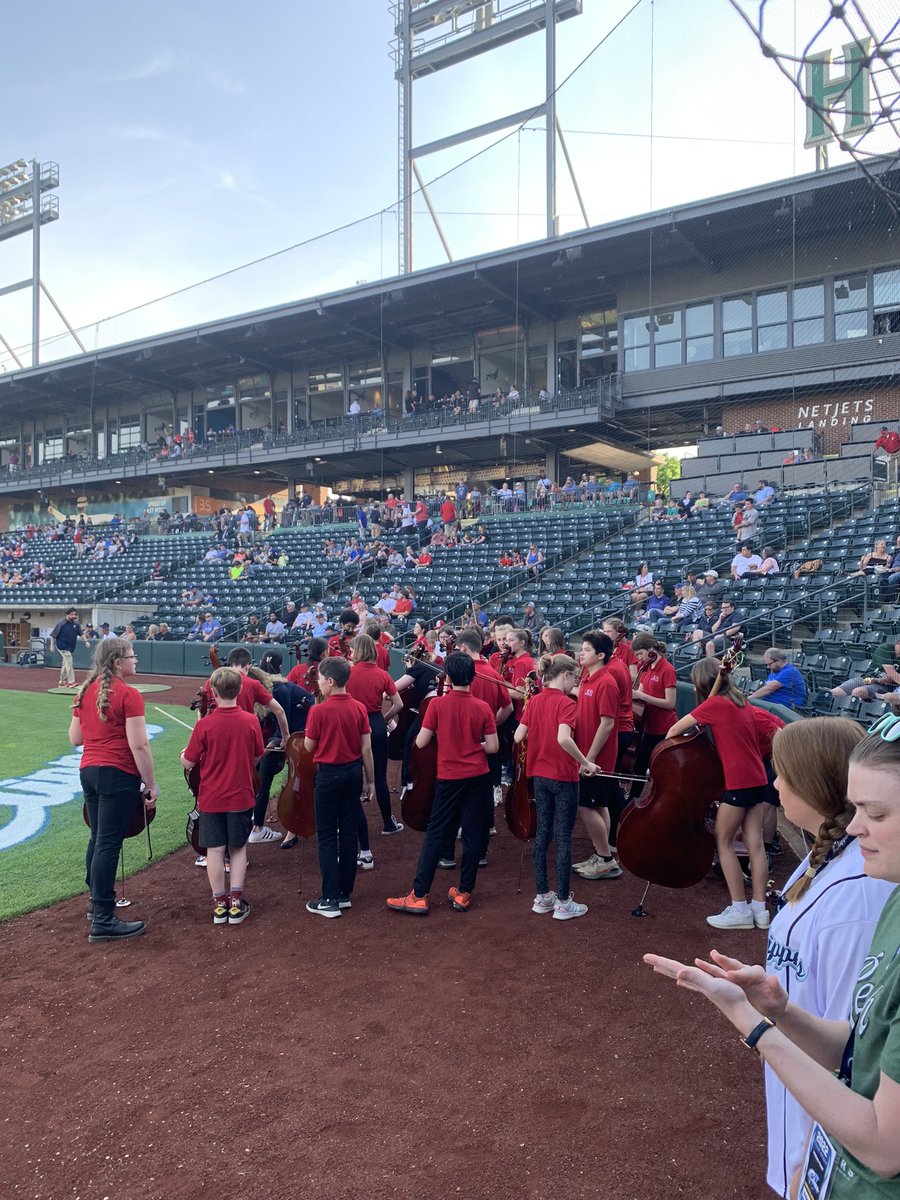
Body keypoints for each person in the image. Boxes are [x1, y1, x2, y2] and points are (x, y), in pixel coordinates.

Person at [645, 713, 900, 1199]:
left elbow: (878, 1130)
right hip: (829, 1141)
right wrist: (777, 1008)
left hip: (853, 1156)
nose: (857, 824)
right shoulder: (860, 877)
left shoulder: (866, 894)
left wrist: (752, 1022)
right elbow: (862, 1041)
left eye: (877, 812)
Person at [386, 652, 498, 915]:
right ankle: (464, 893)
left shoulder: (437, 705)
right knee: (472, 834)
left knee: (436, 832)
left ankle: (420, 894)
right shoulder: (482, 707)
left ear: (447, 677)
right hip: (478, 776)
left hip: (449, 777)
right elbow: (492, 747)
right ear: (472, 677)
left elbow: (421, 742)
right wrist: (472, 746)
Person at [665, 657, 770, 929]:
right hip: (758, 778)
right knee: (755, 844)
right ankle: (760, 909)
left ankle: (740, 909)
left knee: (722, 842)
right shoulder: (743, 702)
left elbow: (674, 729)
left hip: (737, 782)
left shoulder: (713, 705)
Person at [69, 638, 159, 943]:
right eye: (132, 657)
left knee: (98, 838)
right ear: (118, 662)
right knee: (108, 843)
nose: (136, 661)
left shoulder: (86, 691)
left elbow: (74, 738)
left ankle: (97, 906)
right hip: (117, 773)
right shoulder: (128, 694)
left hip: (89, 771)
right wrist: (151, 782)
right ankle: (103, 918)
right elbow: (139, 744)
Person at [514, 654, 599, 921]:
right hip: (563, 777)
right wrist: (585, 762)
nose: (575, 681)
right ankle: (563, 901)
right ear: (564, 676)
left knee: (543, 835)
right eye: (574, 677)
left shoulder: (536, 700)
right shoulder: (566, 703)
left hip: (539, 775)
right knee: (563, 837)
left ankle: (543, 896)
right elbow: (563, 738)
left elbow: (518, 736)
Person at [181, 667, 263, 927]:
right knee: (238, 848)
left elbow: (188, 762)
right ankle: (236, 903)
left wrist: (182, 754)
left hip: (212, 797)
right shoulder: (251, 721)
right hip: (240, 795)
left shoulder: (205, 724)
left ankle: (219, 905)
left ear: (213, 693)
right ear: (239, 690)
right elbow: (257, 756)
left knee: (214, 850)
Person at [303, 657, 376, 918]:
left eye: (321, 679)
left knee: (326, 837)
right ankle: (344, 893)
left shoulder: (319, 710)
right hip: (353, 773)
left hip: (329, 776)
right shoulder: (358, 708)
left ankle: (329, 897)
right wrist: (371, 781)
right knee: (348, 832)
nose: (319, 683)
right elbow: (366, 748)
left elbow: (309, 748)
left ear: (331, 681)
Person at [346, 633, 404, 863]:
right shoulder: (382, 674)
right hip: (375, 724)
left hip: (352, 725)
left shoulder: (348, 672)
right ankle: (388, 822)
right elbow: (398, 703)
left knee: (352, 775)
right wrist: (383, 719)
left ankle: (352, 828)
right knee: (379, 777)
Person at [571, 630, 623, 882]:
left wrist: (587, 759)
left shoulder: (606, 682)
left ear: (601, 655)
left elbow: (607, 724)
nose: (581, 653)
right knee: (599, 804)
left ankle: (605, 859)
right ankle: (603, 856)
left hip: (596, 758)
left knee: (586, 805)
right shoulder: (588, 679)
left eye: (587, 650)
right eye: (582, 648)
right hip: (588, 755)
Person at [251, 650, 315, 847]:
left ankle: (293, 830)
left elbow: (282, 728)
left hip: (301, 732)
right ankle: (257, 828)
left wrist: (261, 753)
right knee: (263, 775)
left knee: (298, 779)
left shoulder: (280, 690)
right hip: (285, 733)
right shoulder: (265, 690)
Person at [628, 632, 677, 796]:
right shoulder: (646, 667)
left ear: (650, 650)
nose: (639, 659)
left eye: (640, 654)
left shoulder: (667, 670)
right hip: (648, 725)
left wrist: (642, 696)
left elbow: (670, 703)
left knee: (658, 767)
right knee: (640, 764)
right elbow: (640, 693)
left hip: (663, 728)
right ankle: (633, 797)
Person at [832, 637, 900, 700]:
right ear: (897, 643)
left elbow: (891, 678)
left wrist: (879, 680)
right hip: (866, 679)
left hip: (883, 686)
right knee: (834, 693)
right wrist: (888, 678)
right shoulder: (885, 649)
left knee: (858, 692)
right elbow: (892, 674)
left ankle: (849, 711)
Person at [50, 607, 86, 688]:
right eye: (72, 614)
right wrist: (51, 646)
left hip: (70, 646)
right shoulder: (61, 623)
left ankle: (62, 682)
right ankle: (71, 682)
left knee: (65, 664)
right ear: (67, 615)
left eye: (74, 614)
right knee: (69, 662)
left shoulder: (76, 623)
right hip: (61, 646)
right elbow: (53, 635)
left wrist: (86, 641)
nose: (73, 616)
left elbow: (81, 633)